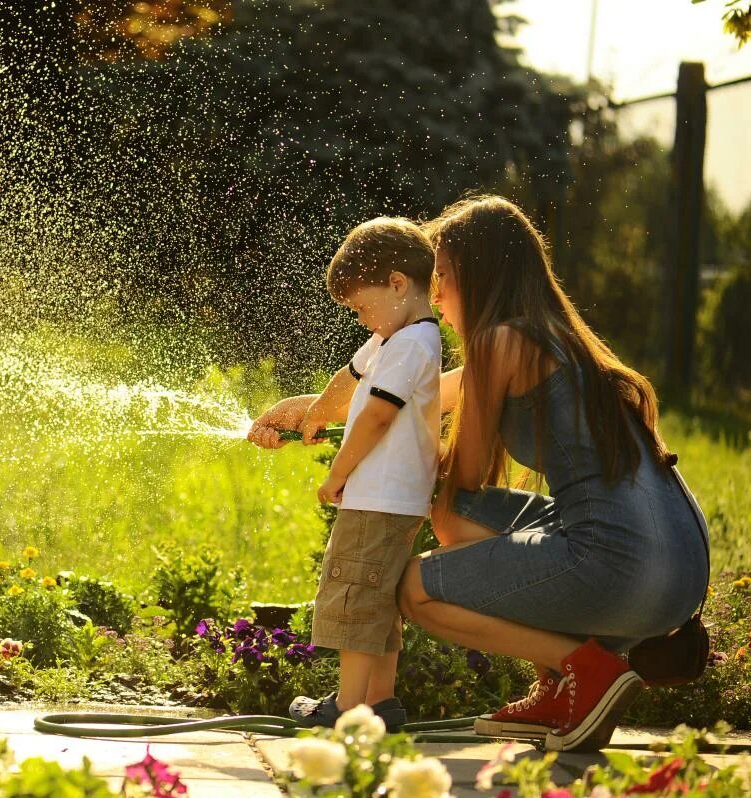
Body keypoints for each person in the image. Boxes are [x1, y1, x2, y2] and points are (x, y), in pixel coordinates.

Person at [249, 195, 709, 752]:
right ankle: (570, 677)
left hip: (625, 566)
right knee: (459, 520)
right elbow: (402, 402)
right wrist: (312, 413)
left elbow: (453, 476)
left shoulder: (501, 342)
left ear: (479, 273)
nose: (433, 292)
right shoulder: (544, 337)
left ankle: (580, 670)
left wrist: (372, 462)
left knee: (416, 587)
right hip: (681, 564)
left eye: (441, 275)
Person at [260, 217, 442, 730]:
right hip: (392, 499)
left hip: (378, 498)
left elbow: (377, 415)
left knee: (354, 598)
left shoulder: (409, 344)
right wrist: (314, 413)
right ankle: (380, 702)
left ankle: (347, 707)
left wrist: (337, 474)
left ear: (399, 284)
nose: (362, 319)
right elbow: (351, 378)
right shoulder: (395, 337)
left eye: (362, 307)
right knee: (377, 600)